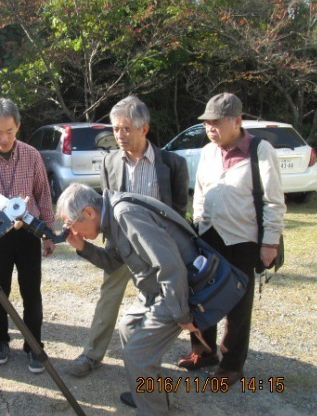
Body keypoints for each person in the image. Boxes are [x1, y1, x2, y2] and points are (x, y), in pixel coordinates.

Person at [69, 96, 189, 377]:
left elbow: (178, 211)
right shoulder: (110, 162)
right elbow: (106, 206)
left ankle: (189, 351)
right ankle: (92, 354)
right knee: (108, 296)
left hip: (159, 249)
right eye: (115, 129)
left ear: (144, 129)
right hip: (122, 244)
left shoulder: (172, 163)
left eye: (126, 129)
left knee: (167, 298)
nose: (119, 135)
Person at [57, 183, 200, 415]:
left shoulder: (125, 214)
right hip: (154, 288)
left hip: (177, 288)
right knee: (128, 327)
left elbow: (170, 265)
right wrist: (83, 246)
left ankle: (153, 410)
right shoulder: (111, 218)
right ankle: (148, 394)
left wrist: (182, 314)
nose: (73, 231)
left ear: (89, 212)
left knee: (138, 353)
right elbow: (113, 262)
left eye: (73, 224)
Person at [179, 92, 285, 384]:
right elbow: (199, 191)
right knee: (201, 296)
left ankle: (232, 364)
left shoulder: (260, 150)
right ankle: (204, 352)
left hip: (244, 240)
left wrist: (269, 243)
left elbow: (274, 202)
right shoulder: (208, 151)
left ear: (237, 121)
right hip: (208, 236)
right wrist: (199, 225)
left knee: (238, 306)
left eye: (216, 123)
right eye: (206, 124)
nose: (210, 129)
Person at [0, 98, 55, 374]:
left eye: (10, 131)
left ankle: (34, 346)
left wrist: (48, 233)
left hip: (28, 233)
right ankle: (1, 341)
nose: (4, 138)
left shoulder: (31, 155)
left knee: (32, 292)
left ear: (18, 126)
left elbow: (43, 193)